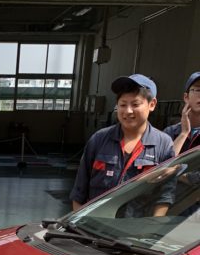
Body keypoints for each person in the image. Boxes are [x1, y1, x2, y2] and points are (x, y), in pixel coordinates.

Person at [70, 74, 175, 214]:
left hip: (137, 226)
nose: (128, 111)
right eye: (123, 104)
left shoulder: (163, 144)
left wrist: (152, 225)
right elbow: (79, 192)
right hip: (95, 224)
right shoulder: (99, 139)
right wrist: (78, 224)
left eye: (135, 104)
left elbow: (164, 196)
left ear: (152, 104)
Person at [164, 72, 200, 155]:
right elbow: (164, 162)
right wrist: (184, 133)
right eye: (198, 90)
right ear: (186, 97)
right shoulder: (170, 132)